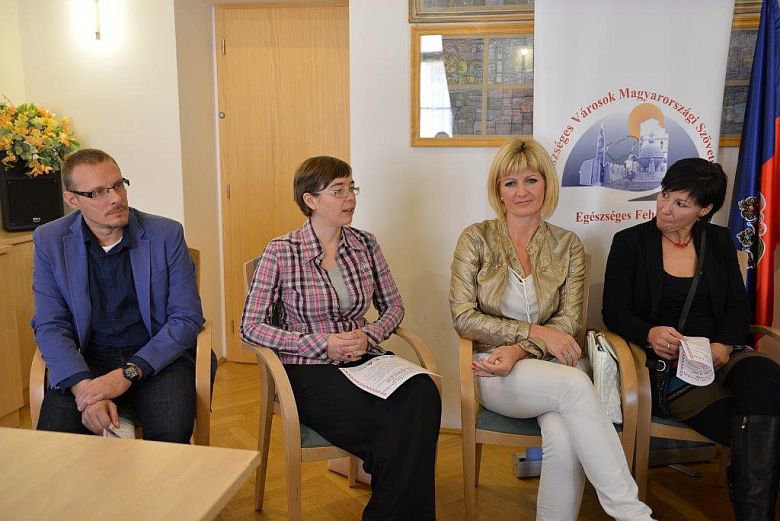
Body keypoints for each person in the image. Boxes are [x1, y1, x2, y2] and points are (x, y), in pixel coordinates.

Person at [450, 138, 653, 521]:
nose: (522, 192)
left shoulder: (568, 244)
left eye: (531, 180)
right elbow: (464, 317)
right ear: (498, 191)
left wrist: (521, 348)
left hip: (551, 363)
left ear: (547, 184)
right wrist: (534, 333)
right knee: (576, 385)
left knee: (563, 435)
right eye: (510, 183)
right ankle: (632, 514)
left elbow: (568, 323)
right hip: (493, 368)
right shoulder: (475, 238)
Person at [240, 156, 441, 521]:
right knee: (395, 429)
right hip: (308, 367)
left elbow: (394, 306)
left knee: (423, 392)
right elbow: (251, 327)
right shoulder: (281, 251)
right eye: (338, 191)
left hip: (364, 359)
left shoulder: (366, 244)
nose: (350, 198)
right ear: (310, 200)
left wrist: (368, 335)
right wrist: (322, 344)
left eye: (352, 188)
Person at [603, 157, 780, 520]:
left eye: (680, 203)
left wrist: (724, 345)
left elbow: (737, 306)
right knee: (753, 427)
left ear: (705, 209)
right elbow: (614, 312)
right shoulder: (630, 242)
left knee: (768, 382)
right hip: (667, 367)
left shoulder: (717, 241)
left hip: (720, 351)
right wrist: (649, 333)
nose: (665, 208)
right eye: (664, 194)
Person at [32, 148, 205, 443]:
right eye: (98, 192)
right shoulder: (50, 240)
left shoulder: (166, 234)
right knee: (54, 439)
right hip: (87, 361)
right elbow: (51, 324)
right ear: (72, 200)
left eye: (117, 185)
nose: (115, 198)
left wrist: (126, 374)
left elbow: (186, 318)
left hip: (157, 358)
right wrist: (85, 390)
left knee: (171, 432)